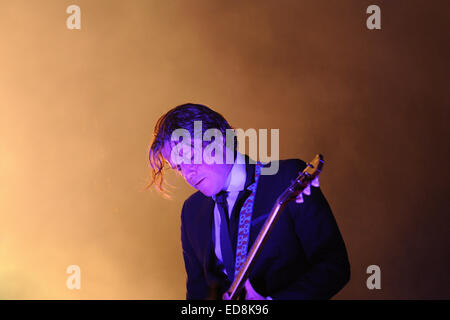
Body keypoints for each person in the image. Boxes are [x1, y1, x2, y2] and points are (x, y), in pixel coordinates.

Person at [147, 103, 350, 300]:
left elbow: (333, 265)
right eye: (179, 167)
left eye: (190, 156)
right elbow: (198, 295)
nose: (188, 174)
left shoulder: (286, 177)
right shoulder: (191, 211)